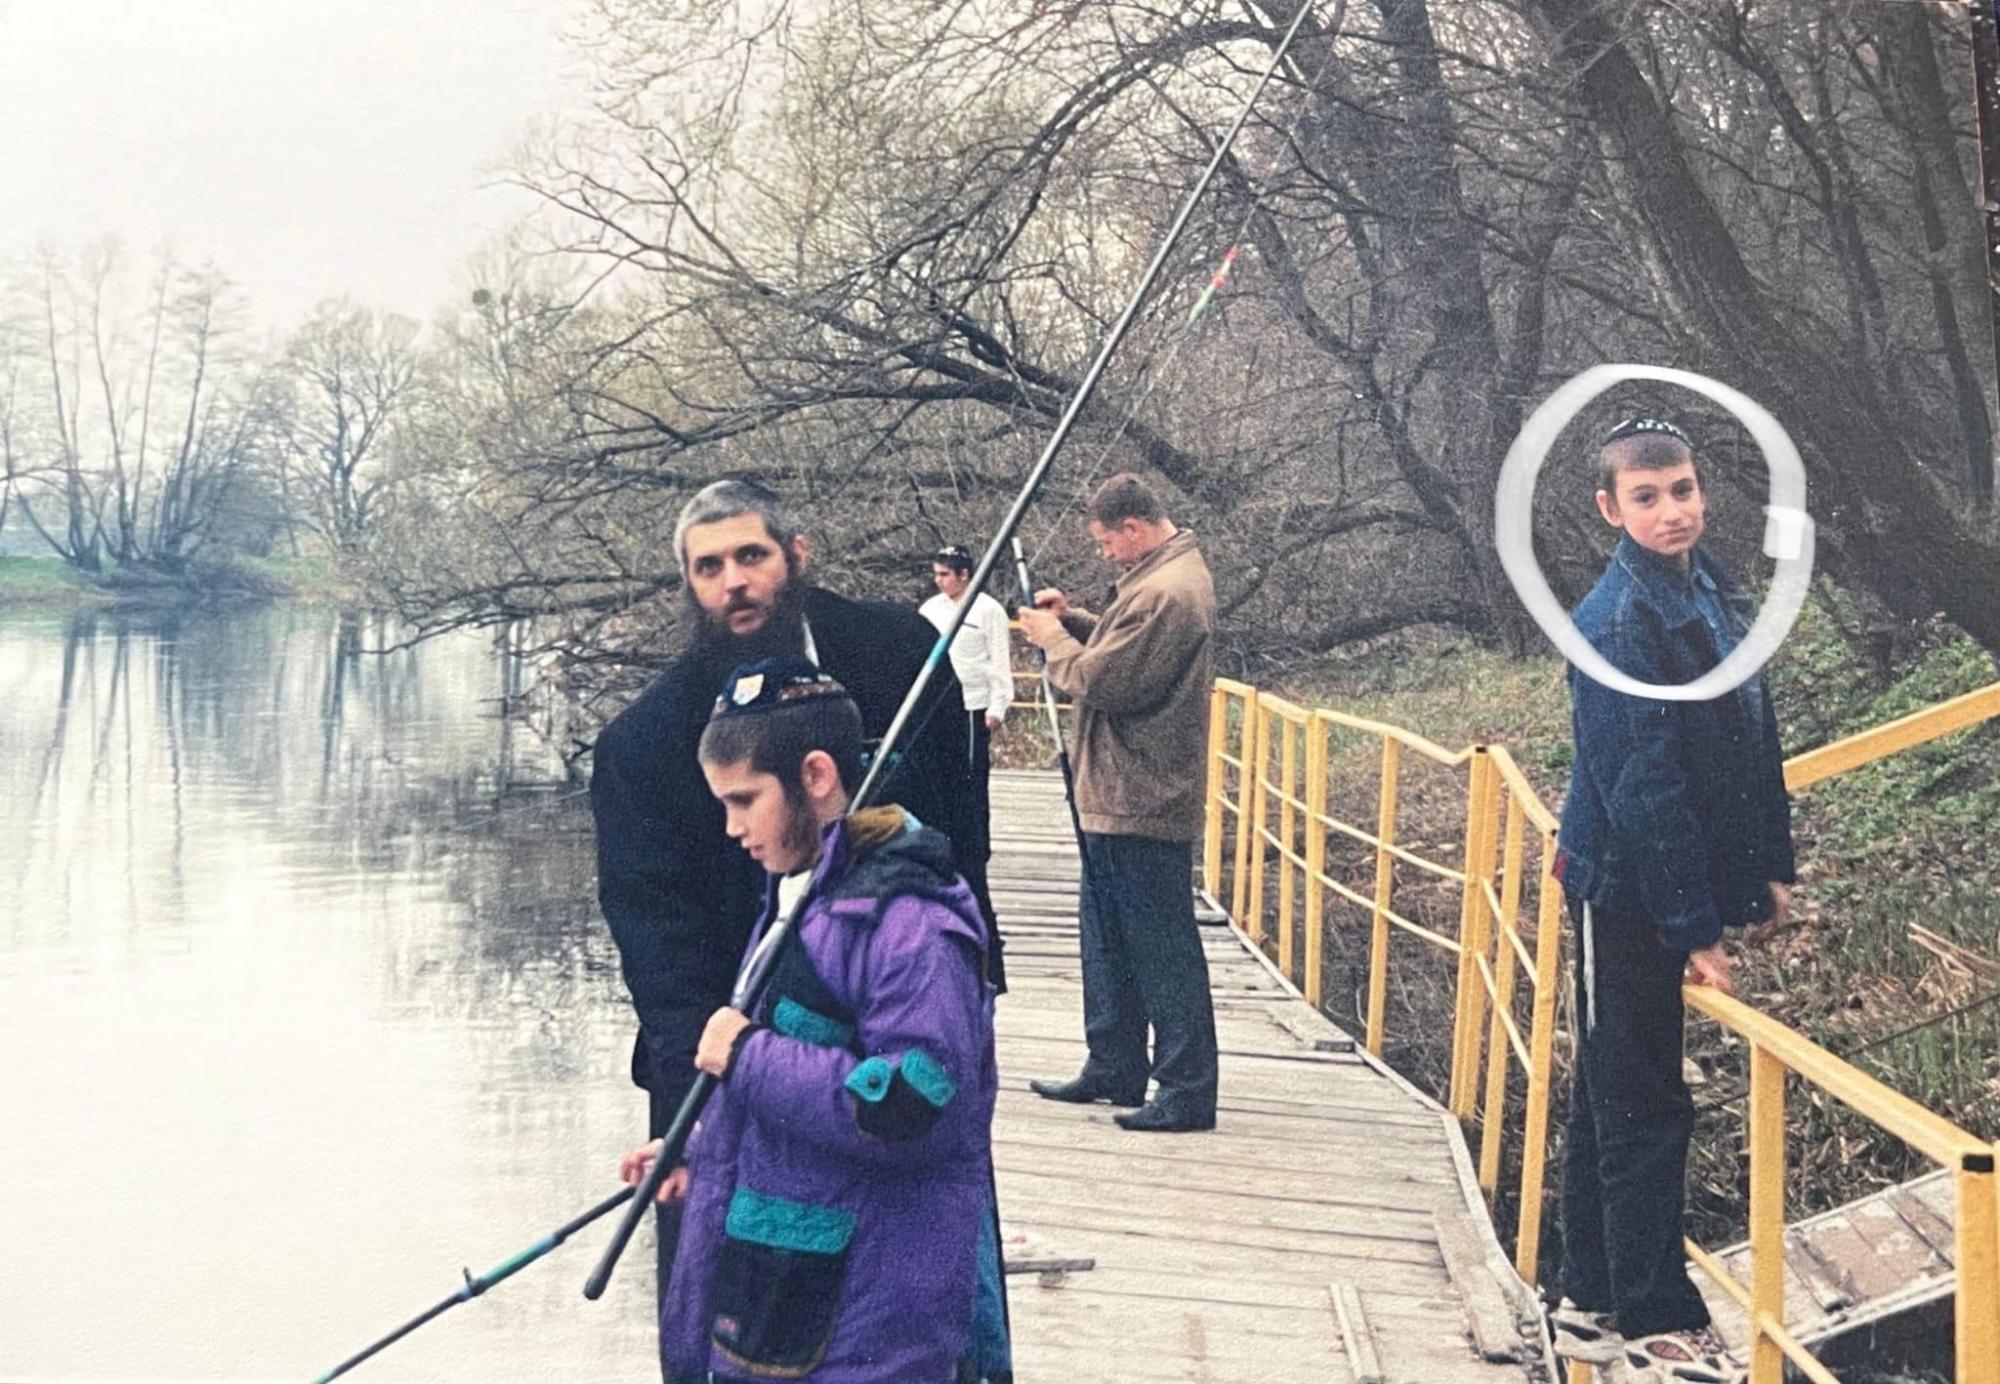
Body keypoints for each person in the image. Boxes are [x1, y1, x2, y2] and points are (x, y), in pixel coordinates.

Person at [590, 480, 1001, 1370]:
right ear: (688, 584)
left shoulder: (905, 652)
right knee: (716, 1313)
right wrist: (703, 1109)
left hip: (899, 1033)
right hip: (723, 1051)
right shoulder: (645, 743)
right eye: (708, 567)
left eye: (751, 556)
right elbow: (657, 943)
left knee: (927, 1298)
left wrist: (969, 963)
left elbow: (967, 822)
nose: (732, 582)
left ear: (796, 556)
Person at [1551, 417, 1795, 1383]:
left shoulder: (1709, 585)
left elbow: (1746, 731)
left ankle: (1590, 1291)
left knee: (1620, 1081)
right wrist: (1691, 926)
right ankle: (1650, 1310)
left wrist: (1763, 867)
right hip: (1624, 890)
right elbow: (1640, 785)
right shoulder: (1614, 621)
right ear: (1611, 510)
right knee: (1641, 1095)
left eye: (1684, 490)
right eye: (1647, 498)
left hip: (1669, 875)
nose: (1672, 511)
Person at [1015, 472, 1220, 1134]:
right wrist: (1074, 619)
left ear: (1134, 529)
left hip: (1143, 795)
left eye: (1107, 542)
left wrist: (1053, 641)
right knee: (1108, 939)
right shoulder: (1160, 583)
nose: (1105, 553)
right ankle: (1115, 1063)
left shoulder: (1169, 592)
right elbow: (1122, 646)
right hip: (1116, 794)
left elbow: (1106, 679)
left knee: (1161, 947)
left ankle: (1186, 1088)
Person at [918, 543, 1015, 932]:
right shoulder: (929, 610)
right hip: (940, 705)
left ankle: (977, 846)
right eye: (936, 574)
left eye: (946, 574)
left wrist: (998, 705)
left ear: (964, 575)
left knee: (974, 779)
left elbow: (999, 659)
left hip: (974, 703)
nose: (940, 581)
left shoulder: (987, 610)